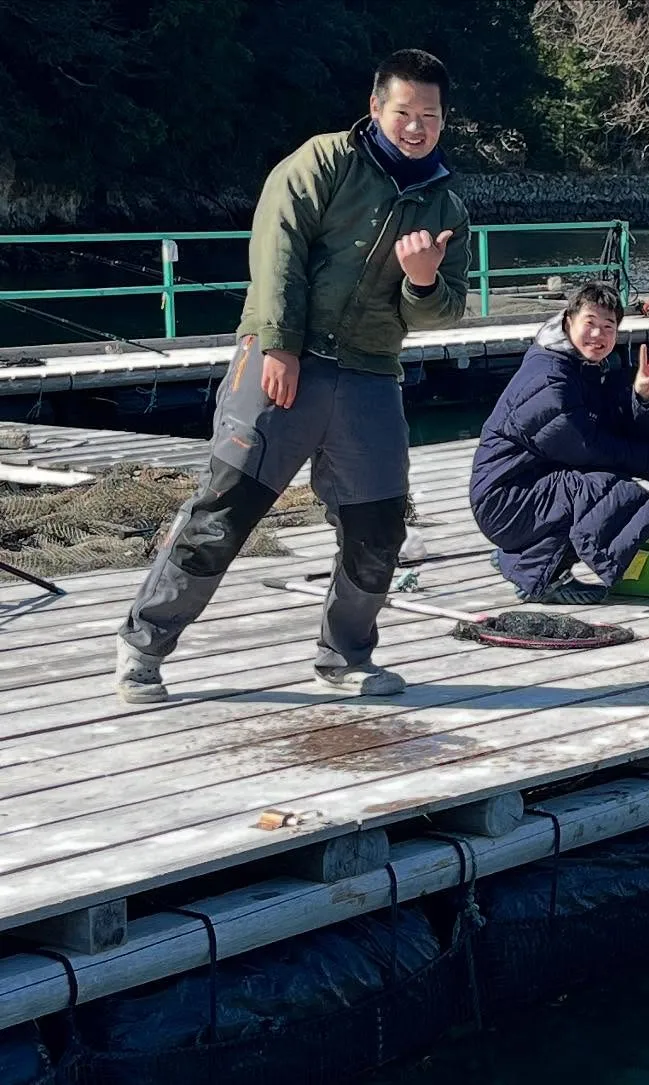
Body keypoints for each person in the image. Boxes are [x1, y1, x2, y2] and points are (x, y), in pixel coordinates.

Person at [115, 49, 471, 703]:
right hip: (283, 361)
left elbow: (446, 303)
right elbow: (277, 246)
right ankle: (143, 644)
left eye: (429, 116)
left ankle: (345, 656)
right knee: (225, 510)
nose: (416, 127)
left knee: (380, 524)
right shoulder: (323, 161)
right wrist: (279, 346)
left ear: (444, 119)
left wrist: (422, 280)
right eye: (403, 113)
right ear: (375, 108)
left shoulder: (445, 203)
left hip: (369, 373)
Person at [469, 282, 649, 605]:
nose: (598, 335)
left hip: (532, 490)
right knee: (606, 492)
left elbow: (628, 436)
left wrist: (644, 396)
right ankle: (545, 578)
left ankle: (521, 561)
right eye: (590, 323)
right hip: (504, 499)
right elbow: (584, 448)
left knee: (602, 485)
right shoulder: (547, 376)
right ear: (568, 321)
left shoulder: (587, 369)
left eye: (608, 327)